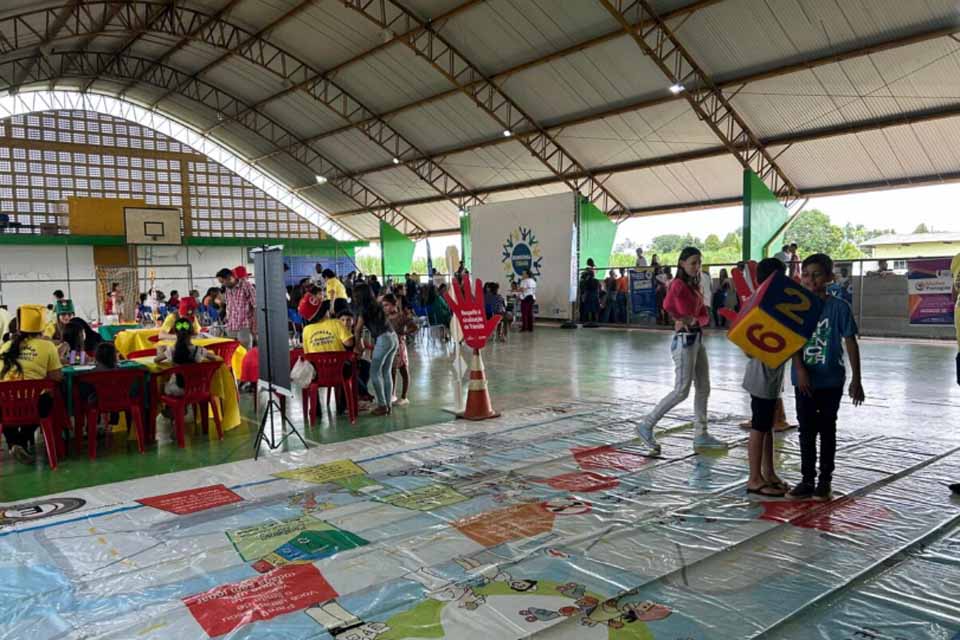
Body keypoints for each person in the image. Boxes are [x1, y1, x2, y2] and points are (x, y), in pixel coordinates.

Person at [789, 253, 865, 500]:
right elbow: (791, 341)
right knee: (806, 430)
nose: (810, 279)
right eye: (806, 274)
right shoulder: (796, 306)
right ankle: (807, 479)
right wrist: (800, 369)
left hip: (831, 380)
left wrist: (857, 379)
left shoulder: (839, 307)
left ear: (830, 277)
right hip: (805, 381)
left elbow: (850, 342)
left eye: (816, 274)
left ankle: (825, 480)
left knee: (827, 429)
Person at [636, 247, 727, 453]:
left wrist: (696, 320)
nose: (697, 267)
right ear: (682, 264)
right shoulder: (677, 284)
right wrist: (680, 319)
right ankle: (647, 425)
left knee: (703, 387)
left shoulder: (696, 286)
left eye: (699, 263)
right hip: (685, 341)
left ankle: (701, 434)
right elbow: (667, 305)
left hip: (697, 339)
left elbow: (704, 313)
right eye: (693, 263)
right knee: (681, 390)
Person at [743, 258, 792, 497]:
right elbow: (748, 347)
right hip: (761, 375)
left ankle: (769, 472)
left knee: (768, 425)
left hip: (772, 374)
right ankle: (754, 478)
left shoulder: (775, 304)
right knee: (759, 425)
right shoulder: (759, 305)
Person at [0, 305, 62, 464]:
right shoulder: (48, 346)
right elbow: (57, 377)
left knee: (5, 410)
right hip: (33, 406)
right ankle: (21, 441)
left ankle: (14, 443)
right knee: (46, 399)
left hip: (6, 406)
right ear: (41, 328)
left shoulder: (6, 346)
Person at [352, 282, 398, 416]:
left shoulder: (363, 309)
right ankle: (388, 404)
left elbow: (358, 329)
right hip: (393, 337)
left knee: (374, 372)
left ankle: (382, 405)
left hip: (383, 339)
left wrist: (358, 345)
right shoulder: (376, 303)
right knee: (386, 372)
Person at [383, 293, 417, 406]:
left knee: (403, 370)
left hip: (400, 347)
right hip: (389, 347)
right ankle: (392, 393)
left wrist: (404, 333)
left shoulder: (401, 316)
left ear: (394, 305)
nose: (385, 308)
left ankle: (404, 396)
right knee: (391, 370)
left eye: (387, 305)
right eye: (384, 305)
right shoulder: (385, 318)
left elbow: (414, 326)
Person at [217, 267, 256, 348]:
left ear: (229, 278)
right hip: (231, 325)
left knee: (245, 351)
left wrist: (255, 324)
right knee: (233, 352)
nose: (222, 284)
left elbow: (256, 306)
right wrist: (227, 316)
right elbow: (230, 305)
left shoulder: (246, 286)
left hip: (245, 325)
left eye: (222, 281)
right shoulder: (228, 289)